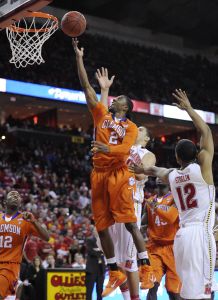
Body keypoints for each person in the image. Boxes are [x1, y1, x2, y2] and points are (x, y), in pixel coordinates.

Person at [73, 39, 150, 299]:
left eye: (120, 99)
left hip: (118, 175)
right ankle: (113, 270)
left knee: (130, 226)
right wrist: (79, 59)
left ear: (126, 107)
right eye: (112, 97)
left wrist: (107, 150)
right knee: (101, 227)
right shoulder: (101, 116)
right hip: (99, 174)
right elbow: (86, 87)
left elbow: (126, 150)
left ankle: (145, 265)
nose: (114, 99)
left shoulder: (130, 127)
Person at [130, 89, 216, 300]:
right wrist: (188, 108)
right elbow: (205, 131)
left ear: (177, 158)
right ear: (198, 154)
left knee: (186, 291)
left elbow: (154, 170)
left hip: (181, 238)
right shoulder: (203, 169)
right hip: (201, 234)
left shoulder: (173, 175)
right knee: (204, 292)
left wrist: (141, 170)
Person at [95, 67, 156, 299]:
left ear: (147, 138)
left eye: (141, 129)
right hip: (114, 198)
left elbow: (144, 173)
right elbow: (103, 119)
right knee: (115, 258)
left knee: (129, 262)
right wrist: (104, 91)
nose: (136, 128)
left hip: (131, 200)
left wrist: (131, 169)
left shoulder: (147, 153)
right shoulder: (124, 140)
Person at [0, 190, 49, 300]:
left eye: (18, 196)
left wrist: (34, 221)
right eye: (12, 195)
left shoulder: (25, 220)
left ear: (20, 203)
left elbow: (47, 237)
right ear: (4, 202)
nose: (15, 196)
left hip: (9, 266)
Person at [142, 178, 181, 299]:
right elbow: (143, 225)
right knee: (152, 286)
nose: (159, 177)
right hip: (154, 248)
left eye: (162, 175)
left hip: (173, 248)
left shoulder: (176, 199)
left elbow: (172, 218)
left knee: (173, 291)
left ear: (169, 182)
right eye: (157, 176)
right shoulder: (149, 201)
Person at [85, 225, 106, 300]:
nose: (97, 231)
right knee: (89, 290)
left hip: (101, 269)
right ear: (93, 231)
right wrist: (100, 252)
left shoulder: (103, 240)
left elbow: (105, 251)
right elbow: (91, 251)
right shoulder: (89, 240)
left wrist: (98, 251)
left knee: (100, 290)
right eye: (95, 230)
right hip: (91, 269)